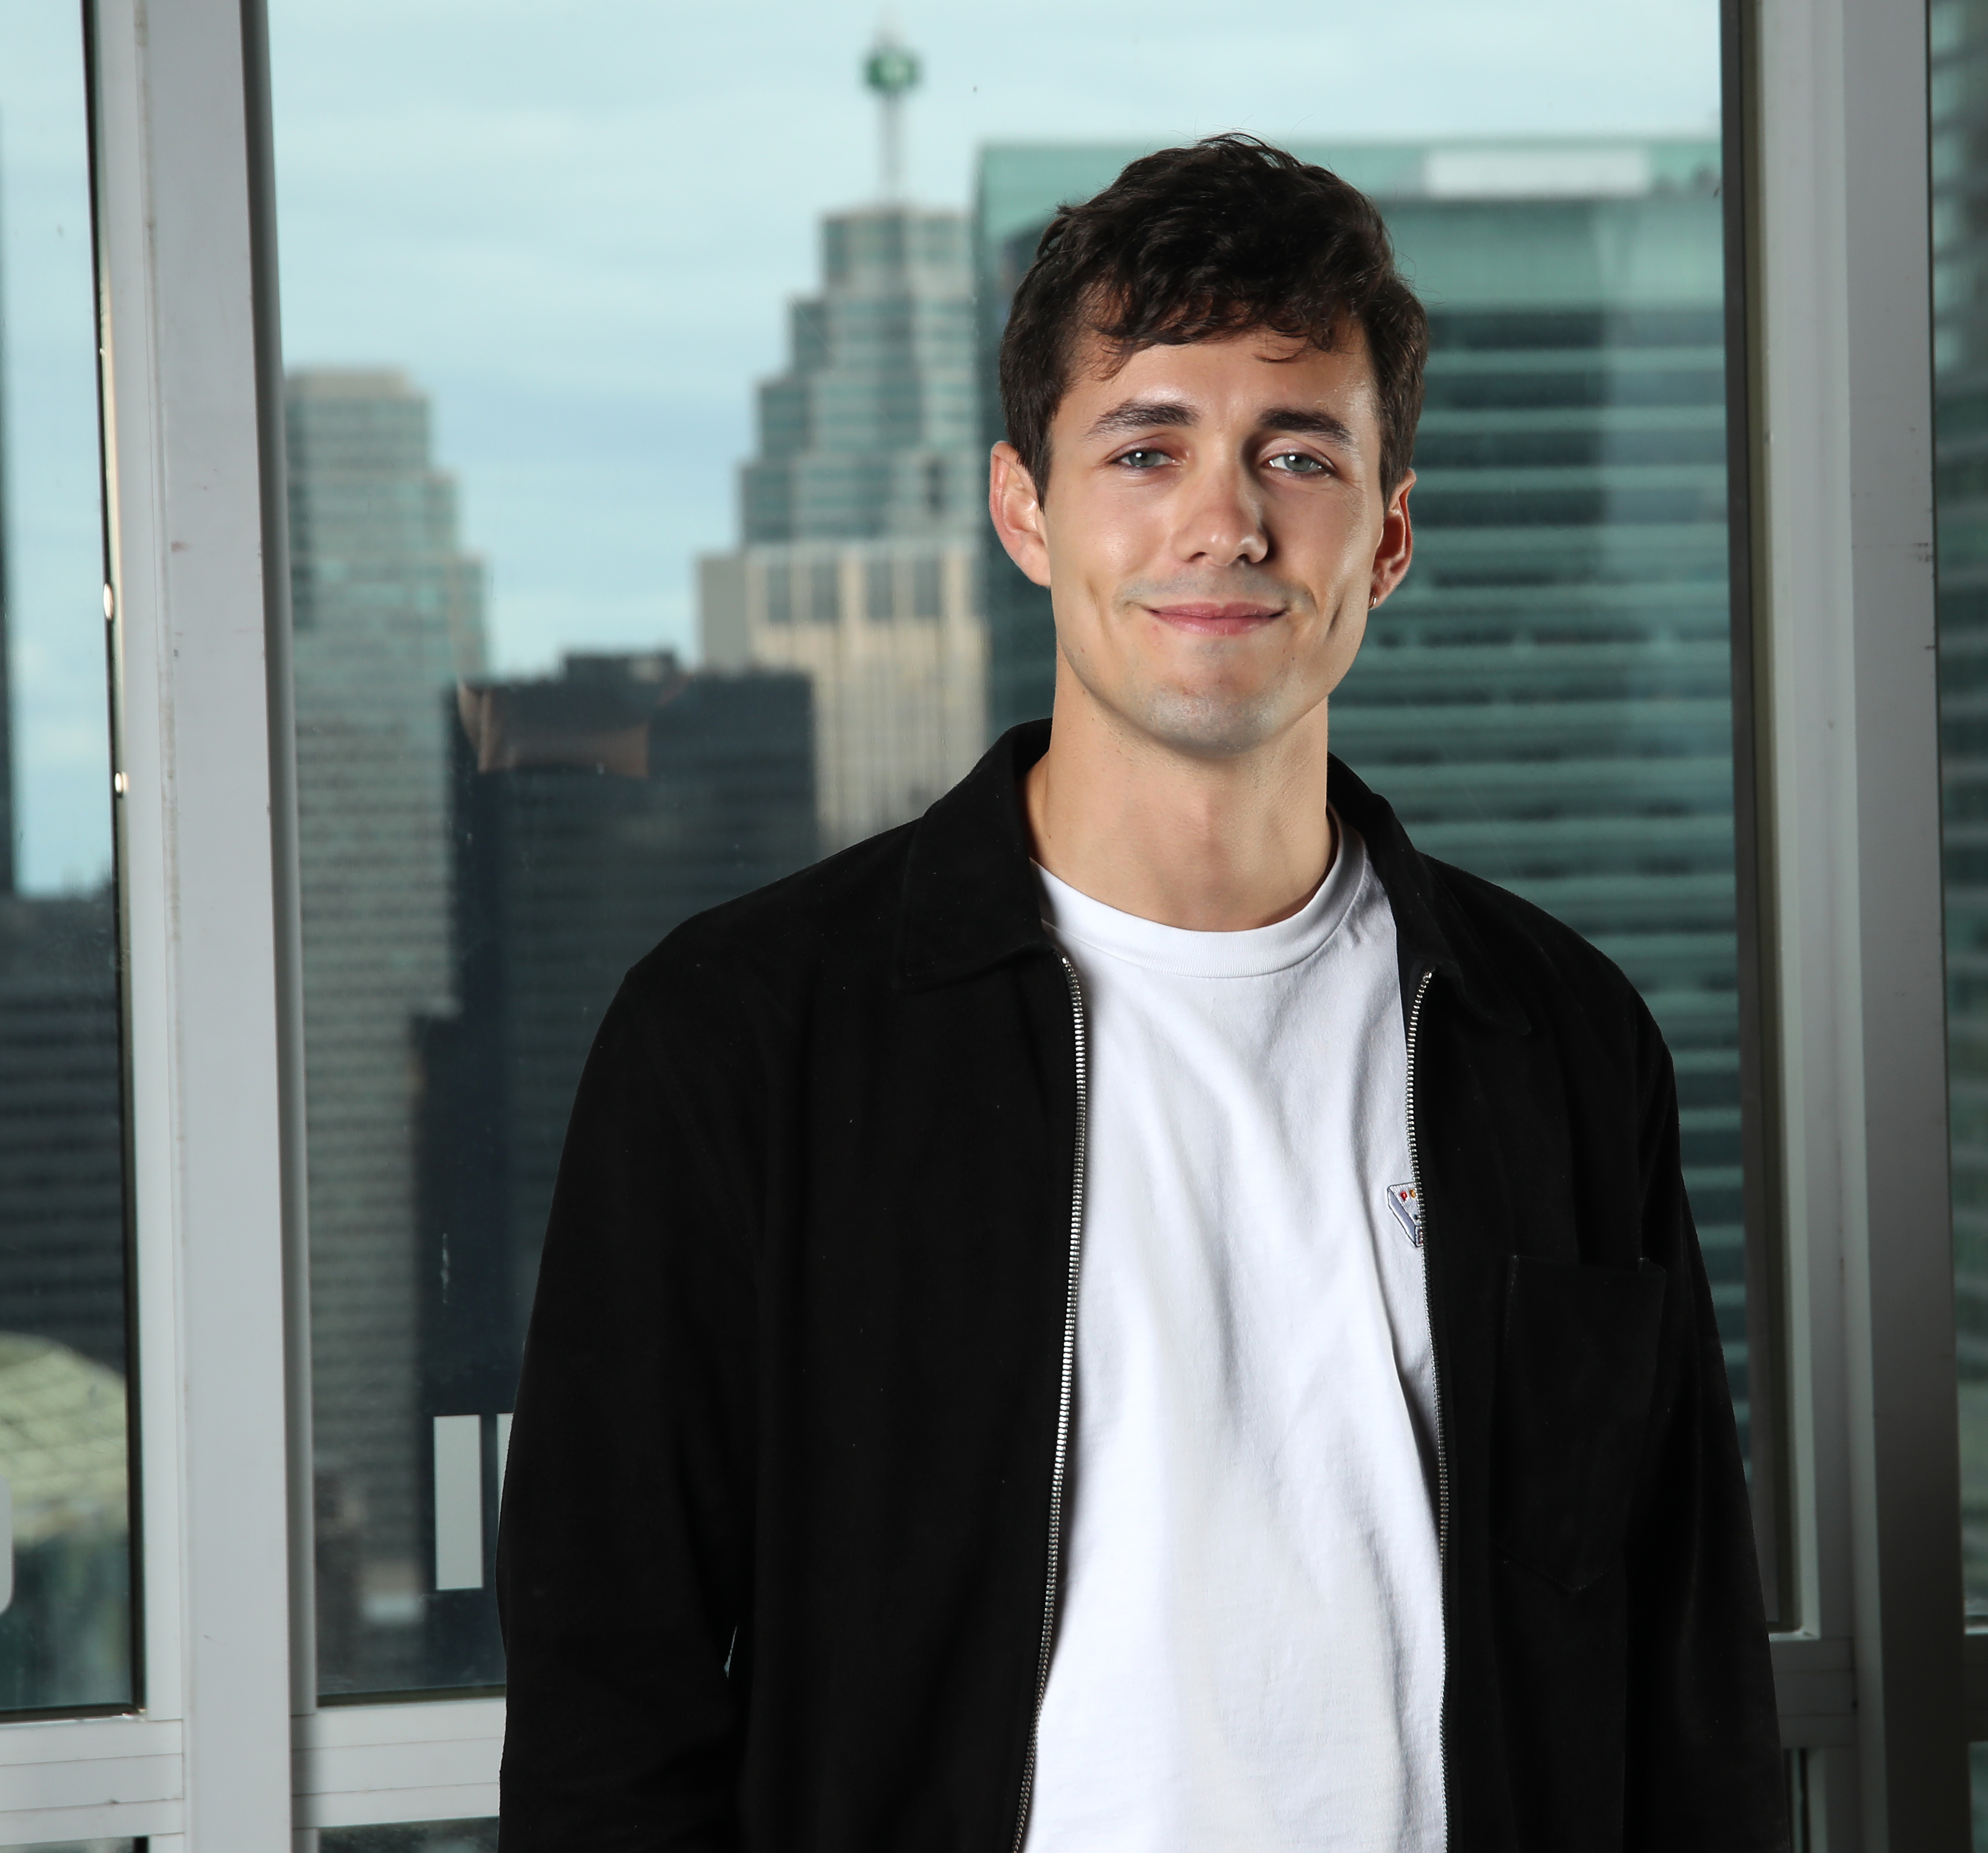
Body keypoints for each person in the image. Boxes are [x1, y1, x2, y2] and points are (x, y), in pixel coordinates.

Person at [497, 134, 1784, 1851]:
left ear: (1387, 537)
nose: (1225, 520)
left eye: (1298, 452)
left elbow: (1682, 1687)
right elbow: (611, 1708)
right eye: (1146, 445)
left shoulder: (1556, 1037)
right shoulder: (746, 1038)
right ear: (1027, 512)